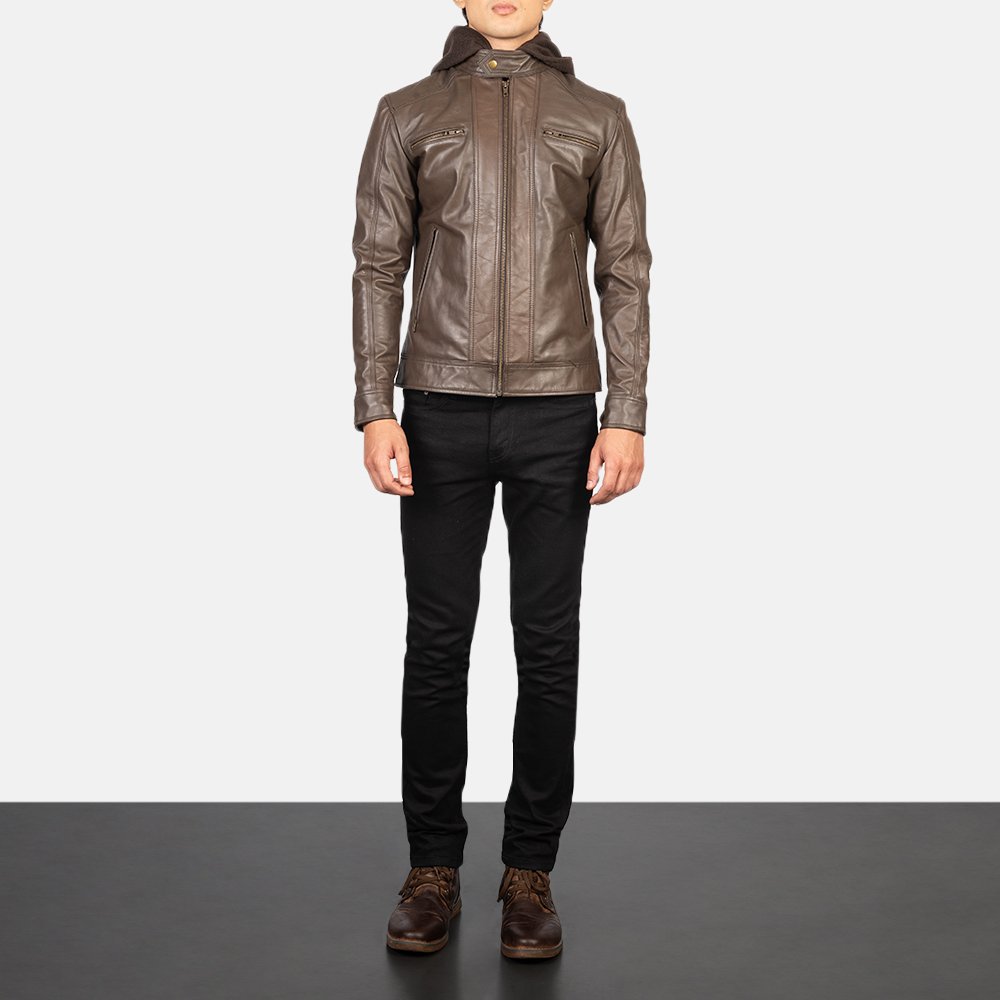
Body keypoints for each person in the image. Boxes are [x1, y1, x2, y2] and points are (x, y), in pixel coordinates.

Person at [351, 0, 652, 960]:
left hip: (559, 411)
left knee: (547, 645)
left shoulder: (598, 116)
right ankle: (431, 868)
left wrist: (626, 412)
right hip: (436, 407)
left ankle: (530, 872)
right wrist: (376, 405)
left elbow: (626, 271)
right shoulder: (408, 112)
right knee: (437, 644)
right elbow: (377, 265)